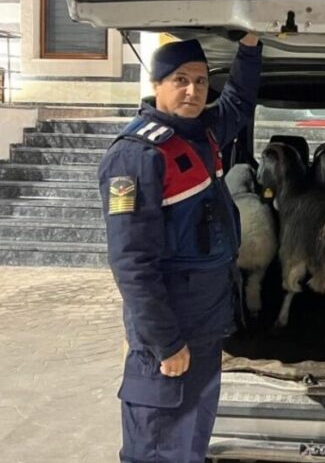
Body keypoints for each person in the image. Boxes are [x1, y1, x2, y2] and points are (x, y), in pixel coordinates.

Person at [99, 33, 263, 463]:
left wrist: (249, 47)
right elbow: (131, 262)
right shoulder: (137, 156)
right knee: (158, 446)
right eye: (180, 80)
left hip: (205, 329)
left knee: (190, 443)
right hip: (171, 334)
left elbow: (240, 104)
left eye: (201, 82)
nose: (193, 91)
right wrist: (166, 342)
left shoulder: (199, 134)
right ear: (156, 85)